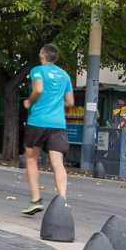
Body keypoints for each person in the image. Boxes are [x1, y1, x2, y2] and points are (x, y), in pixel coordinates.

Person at [22, 44, 74, 215]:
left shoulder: (38, 70)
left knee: (31, 158)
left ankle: (36, 200)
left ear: (43, 55)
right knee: (57, 163)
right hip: (58, 124)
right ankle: (62, 201)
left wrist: (29, 101)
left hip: (38, 121)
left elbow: (38, 89)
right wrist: (56, 105)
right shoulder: (65, 75)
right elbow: (70, 102)